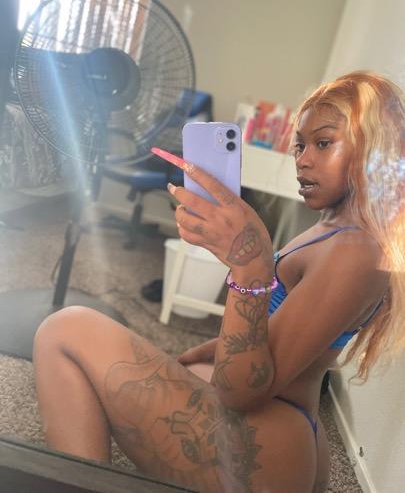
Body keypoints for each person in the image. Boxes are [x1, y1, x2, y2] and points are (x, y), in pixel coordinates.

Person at [33, 71, 404, 493]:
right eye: (300, 145)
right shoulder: (335, 230)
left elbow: (241, 394)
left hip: (267, 449)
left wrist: (250, 267)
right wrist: (198, 354)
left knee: (63, 329)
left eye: (323, 143)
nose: (303, 159)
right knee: (185, 366)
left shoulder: (355, 251)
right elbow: (276, 333)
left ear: (376, 150)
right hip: (282, 428)